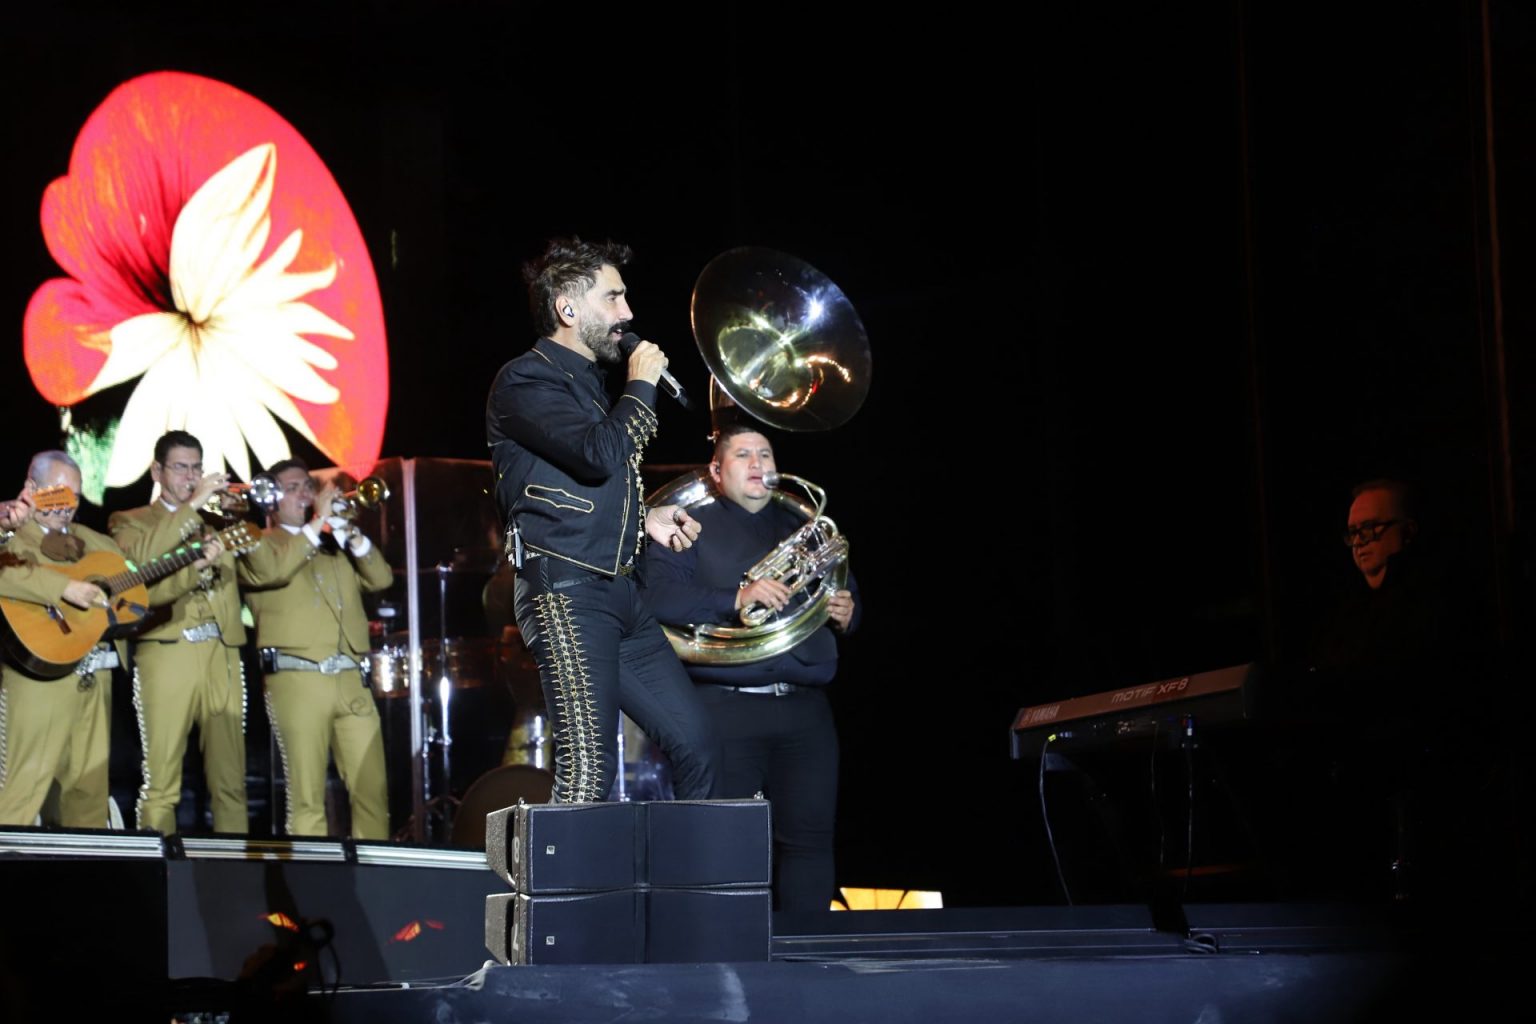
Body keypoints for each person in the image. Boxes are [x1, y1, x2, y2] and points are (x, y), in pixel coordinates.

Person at [484, 236, 719, 804]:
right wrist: (642, 383)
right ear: (567, 308)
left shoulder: (590, 387)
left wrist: (643, 518)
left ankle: (684, 866)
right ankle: (559, 868)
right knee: (589, 769)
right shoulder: (525, 380)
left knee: (699, 745)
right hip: (566, 591)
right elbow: (597, 454)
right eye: (613, 297)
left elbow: (583, 482)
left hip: (620, 593)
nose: (627, 312)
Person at [644, 422, 860, 911]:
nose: (758, 463)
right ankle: (725, 951)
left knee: (810, 841)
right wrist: (736, 598)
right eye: (743, 455)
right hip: (727, 708)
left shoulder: (805, 528)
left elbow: (848, 590)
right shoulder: (689, 525)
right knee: (724, 844)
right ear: (717, 471)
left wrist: (849, 613)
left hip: (806, 709)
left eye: (765, 453)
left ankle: (805, 947)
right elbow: (656, 597)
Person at [109, 430, 316, 835]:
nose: (191, 476)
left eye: (196, 468)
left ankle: (232, 867)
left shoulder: (218, 523)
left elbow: (269, 573)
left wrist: (240, 521)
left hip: (222, 652)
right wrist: (193, 506)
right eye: (181, 468)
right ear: (156, 471)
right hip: (167, 651)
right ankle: (158, 863)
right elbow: (139, 562)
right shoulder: (130, 520)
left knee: (231, 781)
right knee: (162, 783)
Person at [242, 459, 392, 839]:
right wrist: (317, 522)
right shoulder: (257, 542)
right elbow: (272, 571)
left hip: (351, 679)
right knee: (307, 798)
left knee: (372, 791)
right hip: (298, 678)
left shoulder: (333, 546)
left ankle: (375, 872)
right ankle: (309, 876)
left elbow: (381, 578)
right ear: (271, 500)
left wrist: (348, 531)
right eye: (292, 488)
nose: (304, 495)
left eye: (307, 487)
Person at [0, 451, 126, 827]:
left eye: (75, 496)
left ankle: (84, 863)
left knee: (88, 789)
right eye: (58, 493)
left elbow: (133, 576)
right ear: (31, 488)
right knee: (25, 785)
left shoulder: (95, 541)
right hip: (37, 674)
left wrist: (193, 559)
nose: (66, 506)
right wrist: (63, 588)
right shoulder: (11, 532)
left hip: (95, 674)